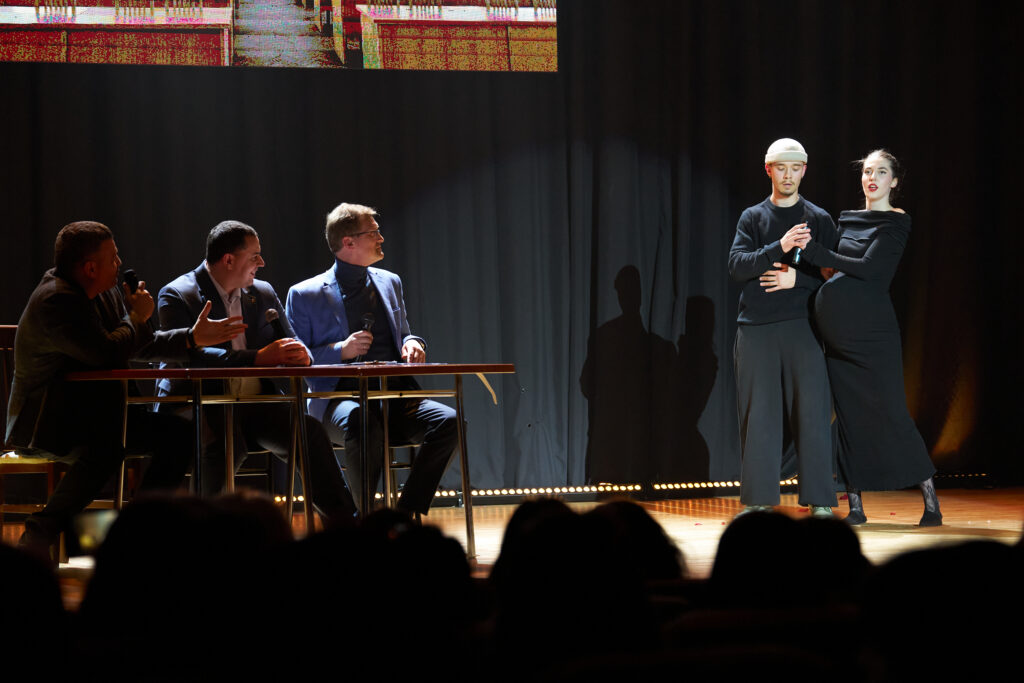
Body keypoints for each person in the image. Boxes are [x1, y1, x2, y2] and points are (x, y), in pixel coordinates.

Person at [5, 221, 246, 551]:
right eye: (113, 258)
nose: (120, 264)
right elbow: (106, 351)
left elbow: (135, 345)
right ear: (90, 268)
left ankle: (138, 530)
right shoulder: (57, 301)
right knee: (106, 449)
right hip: (48, 425)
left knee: (178, 436)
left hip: (96, 418)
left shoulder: (102, 292)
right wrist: (135, 317)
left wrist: (191, 337)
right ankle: (41, 531)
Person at [156, 220, 357, 523]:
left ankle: (347, 524)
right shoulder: (178, 294)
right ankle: (203, 532)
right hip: (197, 403)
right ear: (229, 260)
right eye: (254, 256)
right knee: (225, 443)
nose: (262, 263)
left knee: (307, 432)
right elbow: (190, 358)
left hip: (254, 404)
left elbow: (290, 340)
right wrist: (258, 357)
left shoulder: (261, 293)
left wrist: (298, 354)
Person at [798, 150, 941, 526]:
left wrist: (818, 253)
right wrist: (812, 264)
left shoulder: (896, 221)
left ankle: (931, 503)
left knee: (891, 414)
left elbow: (870, 270)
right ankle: (856, 508)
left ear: (894, 181)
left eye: (880, 172)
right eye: (866, 171)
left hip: (872, 336)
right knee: (849, 419)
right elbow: (837, 270)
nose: (871, 178)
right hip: (838, 337)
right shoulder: (850, 218)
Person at [285, 203, 457, 515]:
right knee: (363, 422)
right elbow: (297, 361)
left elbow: (404, 333)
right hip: (339, 400)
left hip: (395, 396)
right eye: (373, 233)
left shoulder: (390, 281)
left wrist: (413, 343)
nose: (381, 238)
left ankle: (404, 514)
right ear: (348, 242)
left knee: (449, 422)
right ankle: (364, 519)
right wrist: (341, 350)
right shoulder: (304, 294)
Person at [727, 138, 838, 517]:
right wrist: (781, 245)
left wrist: (799, 280)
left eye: (794, 168)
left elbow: (835, 276)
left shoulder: (819, 219)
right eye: (780, 167)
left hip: (802, 327)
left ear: (804, 170)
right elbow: (737, 266)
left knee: (812, 413)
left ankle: (820, 500)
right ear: (768, 170)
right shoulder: (753, 218)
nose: (787, 175)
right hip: (756, 328)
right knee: (759, 415)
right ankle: (758, 499)